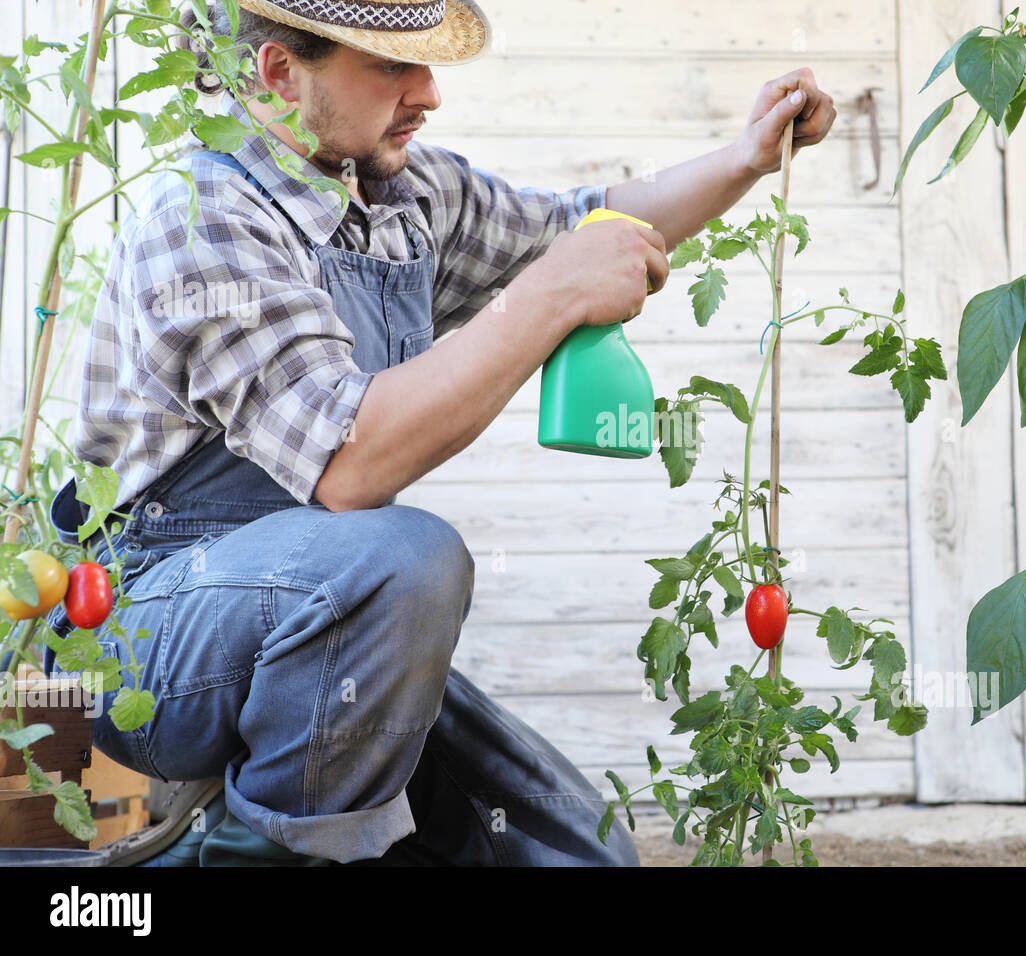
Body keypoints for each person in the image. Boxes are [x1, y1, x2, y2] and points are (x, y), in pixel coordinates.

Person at [43, 0, 837, 865]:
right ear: (278, 73)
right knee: (403, 558)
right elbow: (349, 466)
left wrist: (747, 159)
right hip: (147, 636)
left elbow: (589, 221)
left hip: (311, 614)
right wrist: (549, 298)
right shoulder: (198, 216)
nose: (428, 93)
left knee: (572, 850)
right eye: (390, 67)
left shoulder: (402, 195)